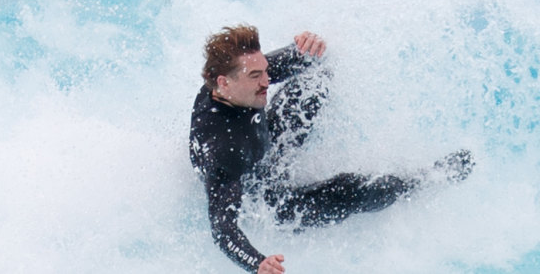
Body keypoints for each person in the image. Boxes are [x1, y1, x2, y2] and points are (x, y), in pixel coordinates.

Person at [189, 25, 471, 274]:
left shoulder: (236, 77)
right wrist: (258, 263)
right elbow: (223, 230)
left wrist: (310, 45)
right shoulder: (221, 151)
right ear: (225, 83)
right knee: (353, 190)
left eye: (265, 71)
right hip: (268, 198)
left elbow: (301, 59)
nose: (266, 81)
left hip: (270, 141)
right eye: (256, 76)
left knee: (316, 75)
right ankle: (424, 180)